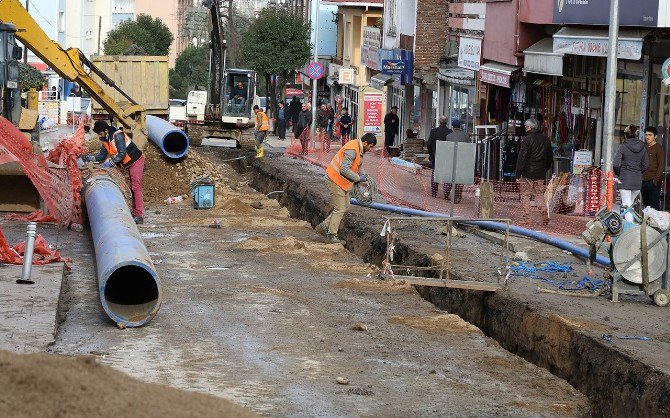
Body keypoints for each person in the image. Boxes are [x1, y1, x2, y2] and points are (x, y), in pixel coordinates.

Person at [316, 133, 377, 242]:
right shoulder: (352, 150)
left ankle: (324, 226)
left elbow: (358, 166)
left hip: (341, 182)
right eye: (370, 146)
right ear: (365, 143)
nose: (371, 149)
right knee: (340, 208)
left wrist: (365, 176)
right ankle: (331, 235)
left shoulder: (359, 149)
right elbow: (344, 169)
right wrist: (358, 178)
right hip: (333, 180)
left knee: (346, 206)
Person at [82, 120, 145, 224]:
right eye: (98, 134)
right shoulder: (105, 138)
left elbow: (122, 154)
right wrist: (89, 158)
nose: (100, 135)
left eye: (101, 133)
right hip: (129, 163)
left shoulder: (117, 135)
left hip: (136, 160)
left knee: (136, 187)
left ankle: (138, 214)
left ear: (106, 130)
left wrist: (110, 163)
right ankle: (134, 212)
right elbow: (102, 155)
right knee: (133, 186)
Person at [515, 118, 554, 226]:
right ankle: (544, 215)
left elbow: (522, 158)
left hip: (527, 173)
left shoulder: (526, 139)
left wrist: (518, 173)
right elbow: (550, 157)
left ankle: (527, 218)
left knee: (525, 195)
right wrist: (544, 169)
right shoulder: (546, 139)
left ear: (529, 127)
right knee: (539, 195)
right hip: (540, 173)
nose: (525, 128)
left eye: (526, 127)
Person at [614, 124, 649, 222]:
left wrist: (619, 174)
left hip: (625, 179)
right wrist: (637, 171)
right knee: (630, 205)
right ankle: (630, 226)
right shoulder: (643, 147)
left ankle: (630, 229)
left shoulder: (623, 146)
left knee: (627, 205)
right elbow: (646, 165)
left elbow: (616, 164)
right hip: (637, 181)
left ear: (625, 135)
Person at [444, 118, 470, 203]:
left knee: (452, 178)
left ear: (452, 127)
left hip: (452, 161)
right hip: (462, 161)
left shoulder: (448, 136)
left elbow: (447, 150)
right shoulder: (466, 136)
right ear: (460, 126)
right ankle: (458, 195)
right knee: (460, 179)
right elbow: (469, 148)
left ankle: (451, 195)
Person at [426, 116, 453, 198]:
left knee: (435, 174)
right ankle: (446, 193)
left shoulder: (434, 131)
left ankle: (434, 193)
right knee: (447, 175)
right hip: (446, 157)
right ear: (447, 122)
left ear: (439, 122)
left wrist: (431, 155)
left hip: (435, 156)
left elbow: (429, 144)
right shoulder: (450, 132)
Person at [641, 126, 665, 211]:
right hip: (643, 180)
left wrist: (655, 180)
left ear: (655, 136)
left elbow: (661, 165)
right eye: (646, 135)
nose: (647, 137)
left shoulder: (659, 148)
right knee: (646, 206)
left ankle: (655, 223)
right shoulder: (644, 147)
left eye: (650, 135)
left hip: (653, 181)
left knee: (654, 206)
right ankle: (647, 223)